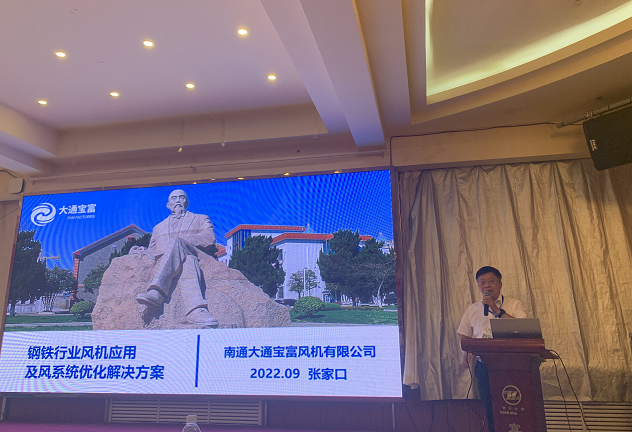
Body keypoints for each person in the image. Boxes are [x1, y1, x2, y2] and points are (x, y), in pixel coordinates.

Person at [132, 189, 218, 328]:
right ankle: (195, 310)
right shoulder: (158, 228)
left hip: (195, 253)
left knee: (178, 243)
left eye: (181, 197)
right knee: (188, 261)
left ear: (186, 202)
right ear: (168, 205)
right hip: (185, 261)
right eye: (174, 198)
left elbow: (209, 238)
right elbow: (153, 250)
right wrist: (141, 250)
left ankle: (157, 291)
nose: (178, 200)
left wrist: (181, 240)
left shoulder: (200, 219)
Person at [457, 266, 527, 432]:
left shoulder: (514, 304)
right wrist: (466, 352)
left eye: (491, 281)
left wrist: (496, 310)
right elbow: (464, 334)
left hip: (513, 365)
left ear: (500, 284)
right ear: (478, 286)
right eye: (482, 283)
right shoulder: (473, 309)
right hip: (485, 366)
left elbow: (522, 329)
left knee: (515, 407)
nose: (487, 286)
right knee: (490, 407)